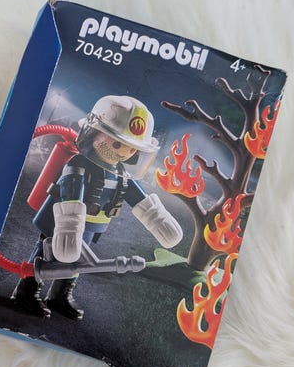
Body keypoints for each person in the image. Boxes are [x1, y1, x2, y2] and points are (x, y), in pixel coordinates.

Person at [13, 95, 182, 319]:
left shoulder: (120, 174)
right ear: (93, 133)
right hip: (59, 222)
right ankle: (27, 291)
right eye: (117, 143)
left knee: (78, 260)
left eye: (132, 148)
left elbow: (138, 198)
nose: (124, 152)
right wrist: (69, 226)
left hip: (91, 226)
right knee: (47, 253)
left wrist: (158, 218)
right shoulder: (78, 164)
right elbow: (72, 191)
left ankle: (60, 295)